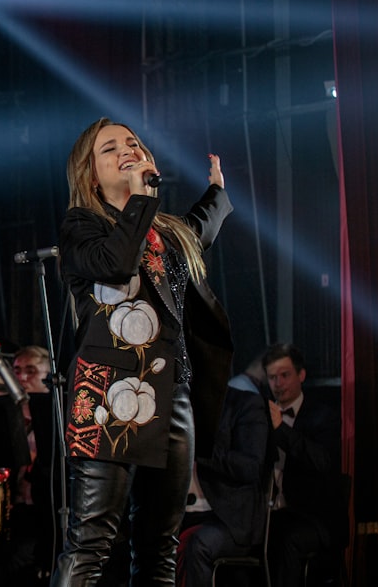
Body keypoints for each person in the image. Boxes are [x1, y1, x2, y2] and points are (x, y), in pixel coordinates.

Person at [53, 118, 233, 585]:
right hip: (109, 394)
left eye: (133, 143)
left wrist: (216, 191)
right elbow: (115, 265)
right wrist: (140, 201)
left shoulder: (164, 232)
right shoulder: (82, 225)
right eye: (110, 148)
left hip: (173, 396)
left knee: (159, 547)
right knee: (91, 540)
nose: (127, 150)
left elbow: (199, 228)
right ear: (91, 174)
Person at [177, 358, 274, 587]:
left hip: (228, 518)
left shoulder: (244, 405)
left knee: (197, 545)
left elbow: (250, 467)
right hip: (183, 513)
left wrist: (200, 449)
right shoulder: (177, 407)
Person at [262, 343, 342, 587]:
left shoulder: (322, 415)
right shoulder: (259, 417)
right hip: (270, 513)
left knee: (284, 538)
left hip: (311, 517)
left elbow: (321, 462)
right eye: (272, 377)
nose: (278, 383)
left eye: (285, 375)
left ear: (301, 375)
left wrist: (281, 429)